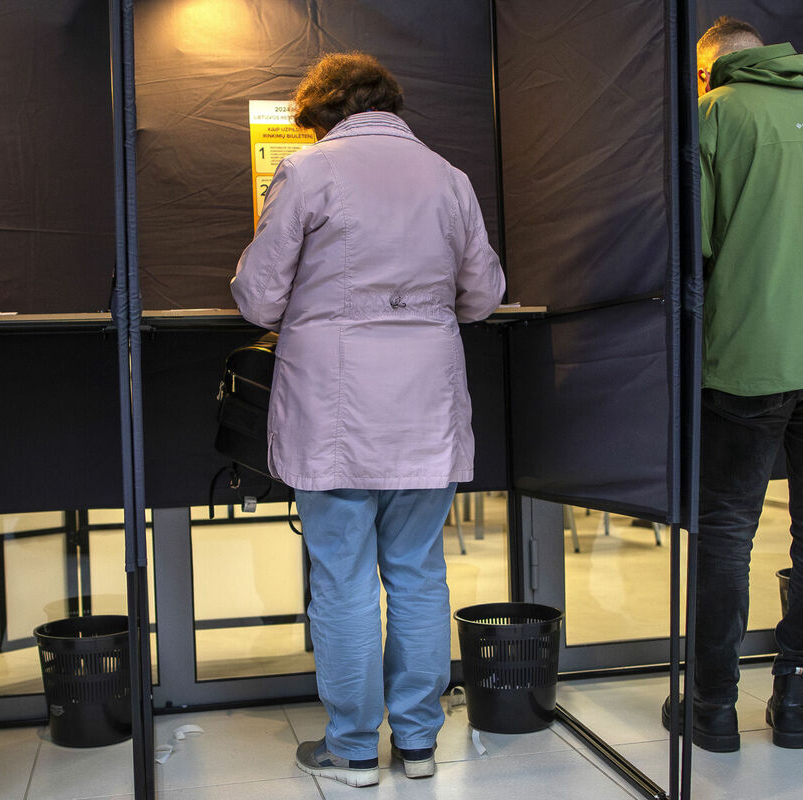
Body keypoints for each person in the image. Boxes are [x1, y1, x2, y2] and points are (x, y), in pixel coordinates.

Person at [230, 52, 504, 787]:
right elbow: (483, 294)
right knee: (417, 574)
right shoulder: (450, 179)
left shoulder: (308, 172)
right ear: (391, 104)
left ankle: (352, 748)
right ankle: (417, 743)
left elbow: (257, 299)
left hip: (335, 410)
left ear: (321, 112)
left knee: (343, 578)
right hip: (425, 407)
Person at [664, 17, 803, 752]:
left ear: (709, 71)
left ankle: (712, 707)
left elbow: (691, 241)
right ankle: (795, 699)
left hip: (753, 353)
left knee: (727, 527)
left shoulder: (717, 114)